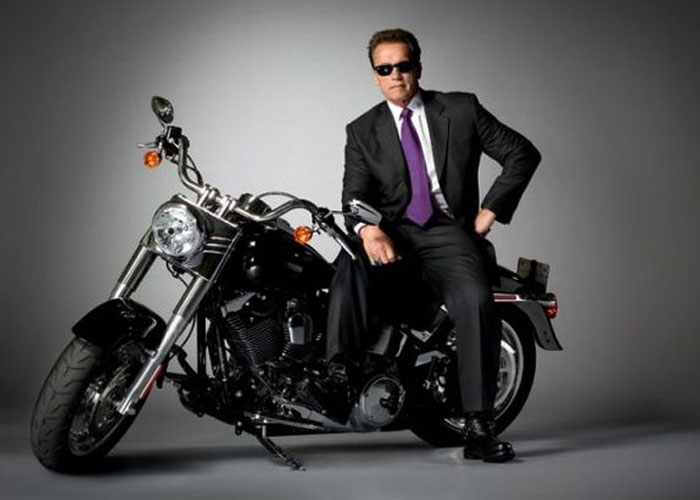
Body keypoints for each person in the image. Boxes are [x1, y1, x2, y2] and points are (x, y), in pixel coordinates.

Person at [326, 28, 541, 463]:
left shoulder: (460, 109)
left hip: (447, 232)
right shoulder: (362, 130)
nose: (395, 75)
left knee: (476, 299)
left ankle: (478, 425)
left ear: (418, 67)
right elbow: (354, 196)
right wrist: (367, 230)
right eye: (385, 68)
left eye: (403, 65)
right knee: (349, 263)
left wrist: (490, 211)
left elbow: (521, 152)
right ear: (375, 76)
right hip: (391, 233)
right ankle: (336, 376)